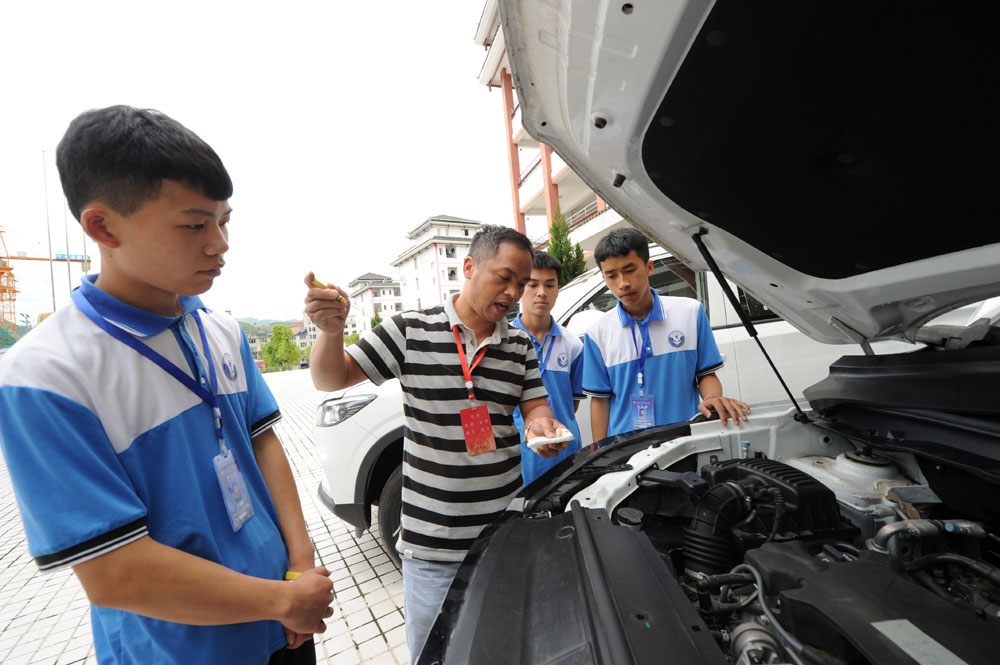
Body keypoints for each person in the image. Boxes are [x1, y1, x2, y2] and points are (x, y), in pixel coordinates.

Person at [0, 106, 333, 665]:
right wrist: (282, 599)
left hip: (282, 629)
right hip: (181, 651)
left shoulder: (219, 329)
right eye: (194, 224)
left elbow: (263, 441)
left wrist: (300, 564)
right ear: (103, 226)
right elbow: (115, 574)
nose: (220, 243)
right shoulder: (45, 376)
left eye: (225, 221)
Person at [304, 225, 568, 660]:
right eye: (504, 278)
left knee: (500, 647)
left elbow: (535, 406)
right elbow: (330, 378)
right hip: (433, 547)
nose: (513, 293)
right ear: (469, 266)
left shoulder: (519, 343)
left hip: (502, 537)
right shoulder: (411, 330)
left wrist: (543, 428)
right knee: (434, 652)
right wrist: (331, 332)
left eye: (520, 284)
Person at [582, 228, 750, 441]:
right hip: (627, 449)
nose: (622, 283)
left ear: (649, 267)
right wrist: (602, 455)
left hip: (685, 440)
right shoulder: (597, 334)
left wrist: (712, 397)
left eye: (630, 270)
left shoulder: (691, 313)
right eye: (612, 275)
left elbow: (706, 374)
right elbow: (600, 401)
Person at [511, 251, 585, 484]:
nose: (542, 292)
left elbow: (571, 405)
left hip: (565, 455)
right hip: (518, 457)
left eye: (549, 284)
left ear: (558, 289)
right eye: (532, 284)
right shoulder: (503, 343)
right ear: (521, 287)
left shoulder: (573, 344)